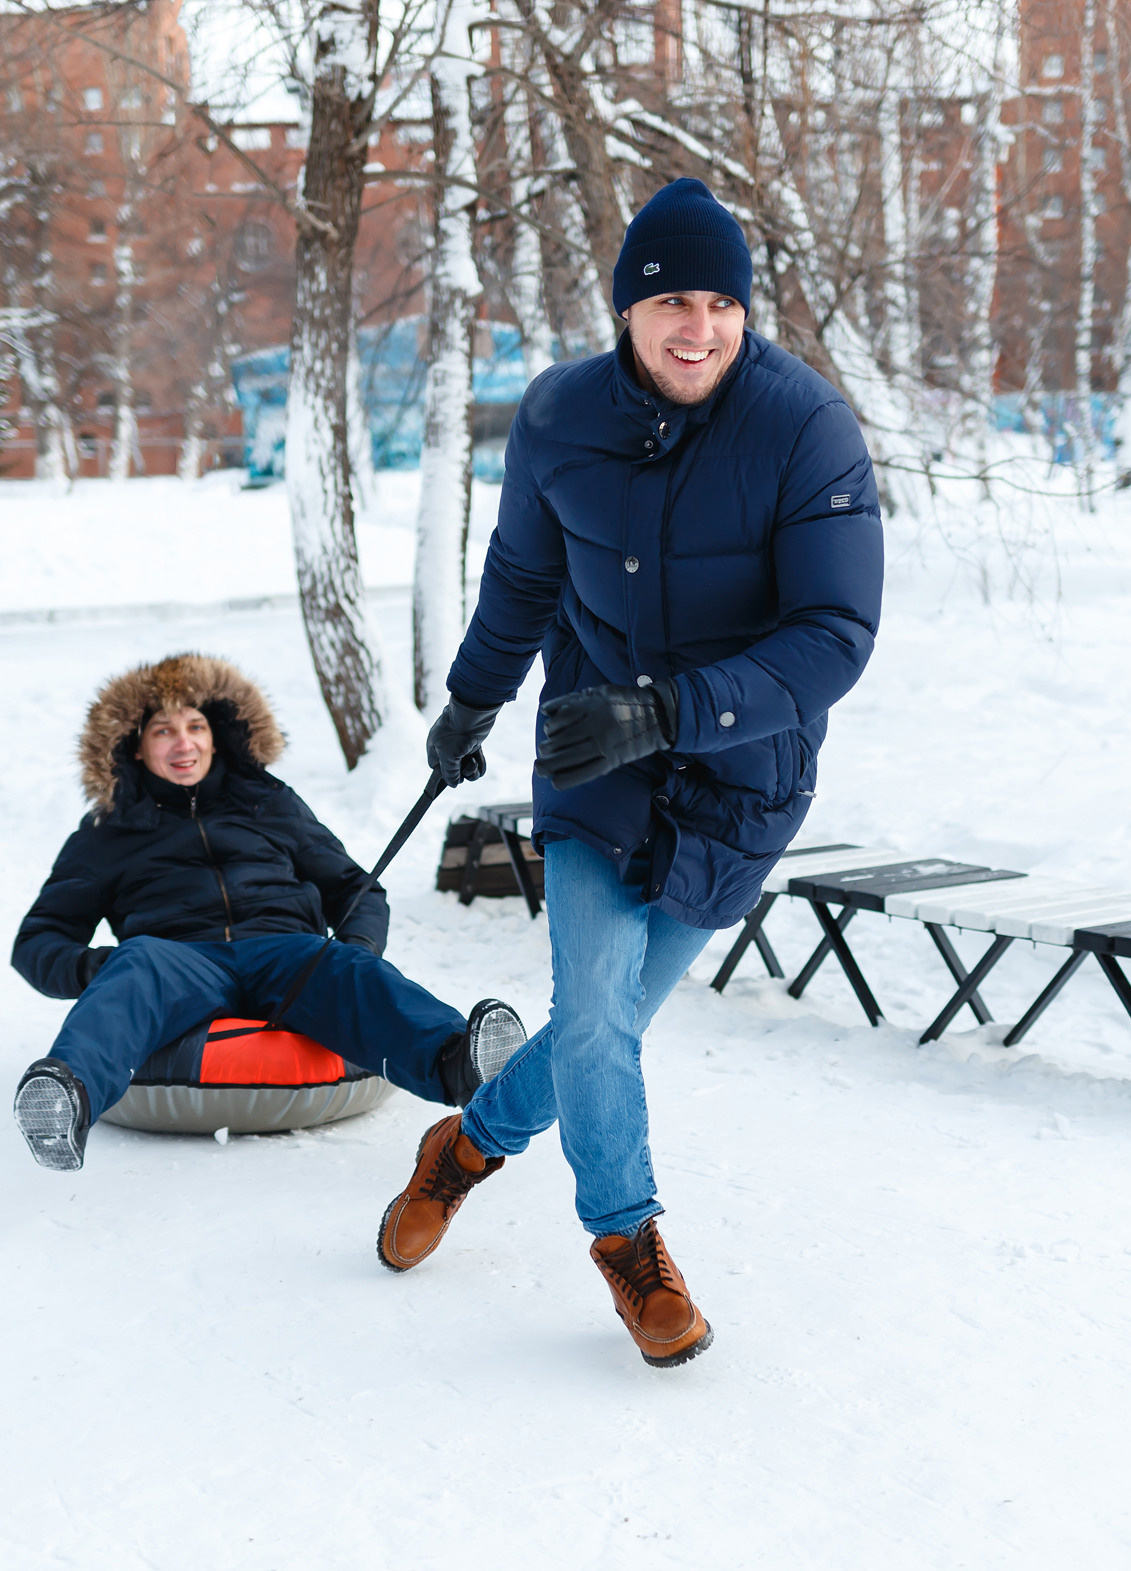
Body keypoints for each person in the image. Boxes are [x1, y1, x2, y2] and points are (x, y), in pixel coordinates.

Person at [376, 177, 885, 1367]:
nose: (696, 326)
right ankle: (630, 1247)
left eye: (720, 303)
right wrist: (468, 703)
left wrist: (673, 709)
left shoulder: (806, 427)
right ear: (627, 311)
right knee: (601, 1015)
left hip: (738, 776)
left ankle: (461, 1150)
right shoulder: (560, 419)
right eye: (671, 303)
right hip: (594, 765)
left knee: (597, 1027)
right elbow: (520, 580)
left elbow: (835, 635)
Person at [10, 653, 527, 1171]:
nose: (183, 743)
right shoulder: (108, 830)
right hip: (177, 962)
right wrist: (104, 971)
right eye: (164, 731)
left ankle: (464, 1063)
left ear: (217, 735)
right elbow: (39, 940)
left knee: (338, 964)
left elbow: (355, 888)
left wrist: (355, 950)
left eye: (195, 726)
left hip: (284, 952)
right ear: (136, 748)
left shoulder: (268, 802)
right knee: (139, 959)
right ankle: (65, 1101)